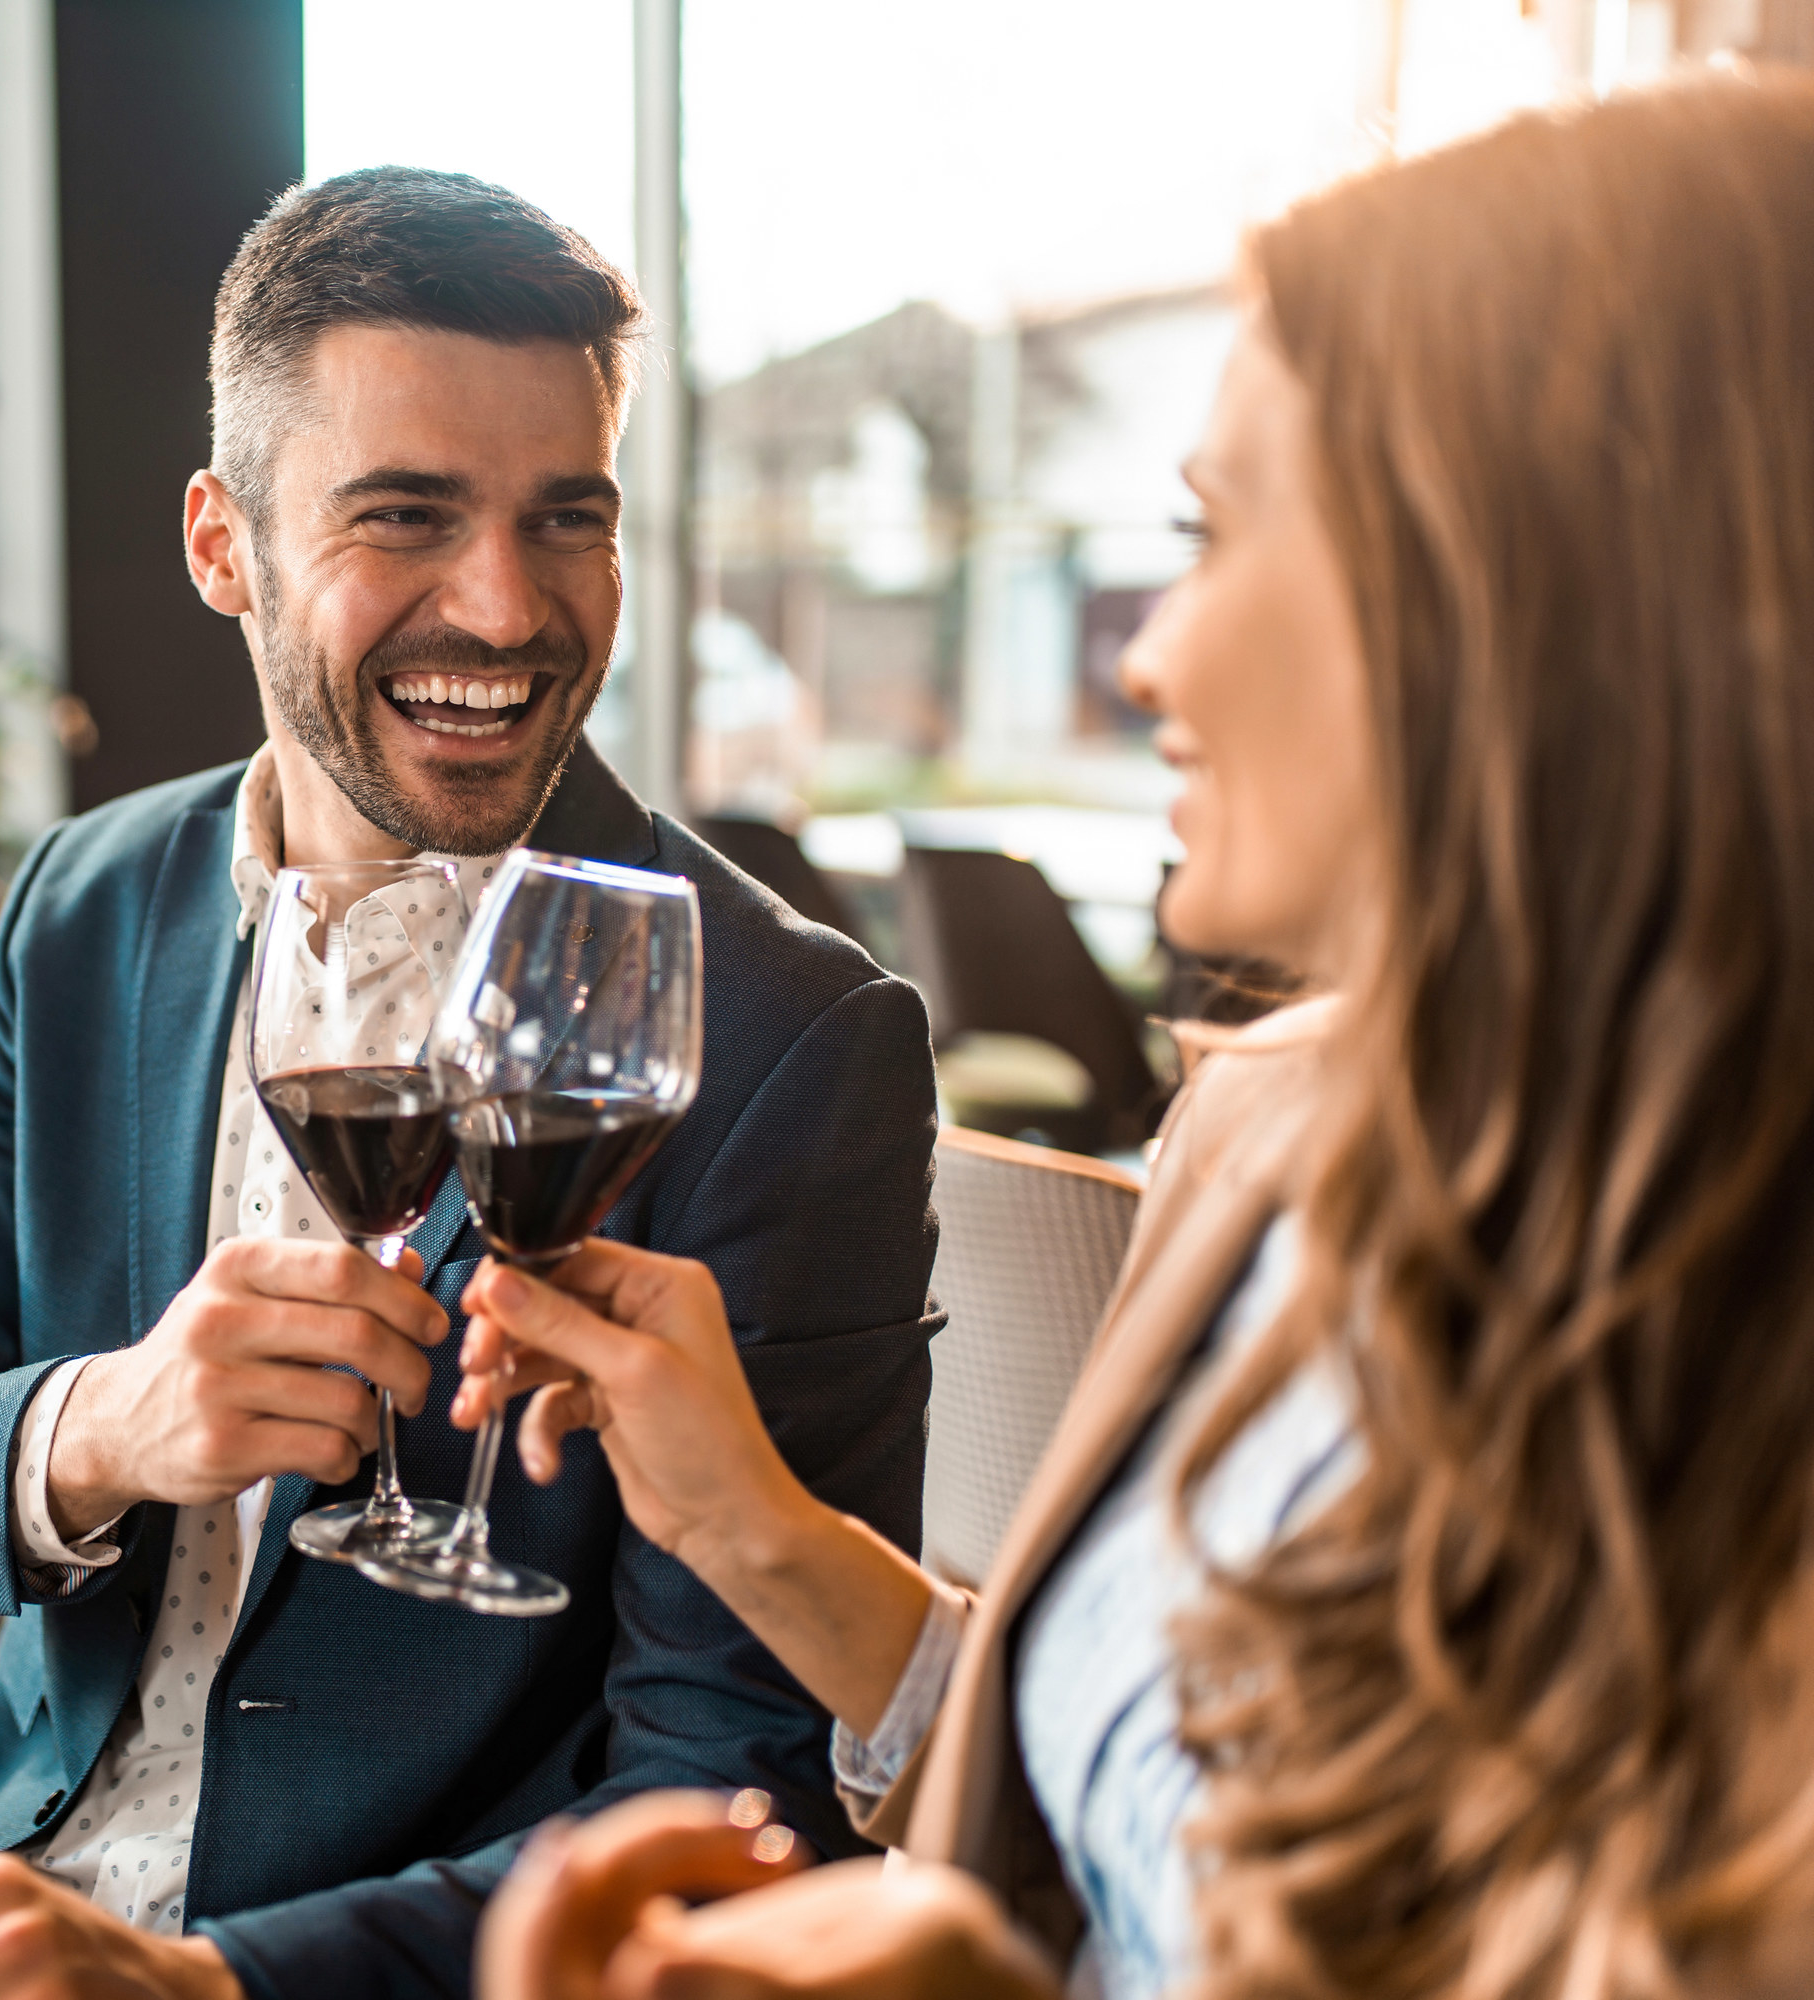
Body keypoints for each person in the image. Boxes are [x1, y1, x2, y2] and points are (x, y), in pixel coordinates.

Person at [459, 71, 1814, 2000]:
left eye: (1223, 532)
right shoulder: (1268, 1139)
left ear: (1544, 596)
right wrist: (745, 1523)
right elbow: (1118, 1802)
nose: (1150, 654)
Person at [0, 167, 944, 2000]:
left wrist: (202, 1986)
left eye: (568, 520)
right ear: (224, 545)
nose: (507, 607)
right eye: (408, 515)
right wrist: (101, 1428)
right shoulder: (89, 905)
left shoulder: (793, 1044)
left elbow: (733, 1807)